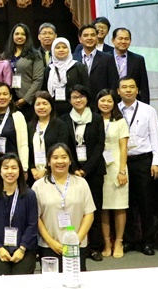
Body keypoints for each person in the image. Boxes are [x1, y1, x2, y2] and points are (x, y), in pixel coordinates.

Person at [60, 85, 107, 262]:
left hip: (93, 171)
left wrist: (86, 169)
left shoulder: (96, 118)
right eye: (74, 97)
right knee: (75, 209)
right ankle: (77, 244)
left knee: (93, 209)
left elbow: (100, 146)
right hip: (72, 171)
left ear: (87, 98)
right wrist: (75, 168)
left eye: (81, 97)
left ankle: (94, 247)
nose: (77, 100)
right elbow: (66, 145)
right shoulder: (65, 119)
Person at [33, 143, 96, 271]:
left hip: (77, 245)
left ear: (70, 160)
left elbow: (89, 214)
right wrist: (51, 242)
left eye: (64, 157)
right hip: (49, 245)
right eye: (55, 158)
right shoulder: (39, 186)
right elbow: (36, 218)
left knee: (75, 280)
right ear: (48, 162)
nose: (60, 161)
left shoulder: (81, 183)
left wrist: (76, 240)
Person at [118, 77, 158, 256]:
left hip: (143, 160)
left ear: (137, 90)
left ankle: (147, 241)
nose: (128, 90)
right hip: (121, 161)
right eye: (124, 87)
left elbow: (155, 135)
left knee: (145, 203)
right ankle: (128, 240)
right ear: (118, 90)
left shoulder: (148, 110)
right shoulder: (114, 109)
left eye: (131, 87)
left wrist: (156, 161)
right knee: (124, 202)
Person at [0, 153, 38, 275]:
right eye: (6, 167)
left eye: (14, 168)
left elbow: (32, 225)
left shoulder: (29, 195)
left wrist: (22, 249)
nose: (10, 171)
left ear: (20, 171)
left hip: (25, 248)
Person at [96, 89, 130, 259]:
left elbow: (124, 147)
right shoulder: (93, 119)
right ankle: (107, 242)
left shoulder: (120, 121)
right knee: (103, 206)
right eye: (102, 100)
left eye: (109, 101)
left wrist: (122, 170)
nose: (105, 104)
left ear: (114, 102)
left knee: (119, 206)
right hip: (99, 165)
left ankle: (119, 241)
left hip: (116, 164)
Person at [28, 92, 75, 183]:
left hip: (54, 172)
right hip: (33, 175)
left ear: (51, 106)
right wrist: (32, 168)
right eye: (38, 104)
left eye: (45, 103)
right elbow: (27, 149)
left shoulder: (60, 125)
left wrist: (45, 170)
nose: (41, 107)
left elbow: (62, 150)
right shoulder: (29, 126)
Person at [4, 24, 45, 120]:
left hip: (28, 100)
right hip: (9, 100)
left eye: (23, 34)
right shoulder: (5, 56)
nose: (19, 36)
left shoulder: (35, 55)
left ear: (27, 37)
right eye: (17, 34)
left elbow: (38, 80)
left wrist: (26, 99)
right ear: (12, 36)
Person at [0, 83, 29, 171]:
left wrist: (24, 167)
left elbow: (23, 144)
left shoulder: (18, 116)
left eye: (5, 94)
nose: (2, 97)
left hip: (12, 167)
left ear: (10, 97)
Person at [72, 25, 119, 102]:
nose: (89, 38)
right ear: (80, 39)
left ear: (97, 38)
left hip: (101, 103)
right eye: (86, 35)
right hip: (78, 102)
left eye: (93, 35)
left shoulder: (108, 58)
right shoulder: (73, 59)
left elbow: (113, 83)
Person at [44, 38, 90, 116]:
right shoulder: (49, 69)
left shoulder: (79, 67)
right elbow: (45, 90)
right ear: (52, 50)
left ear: (69, 49)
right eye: (57, 47)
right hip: (54, 110)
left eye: (64, 47)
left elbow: (86, 89)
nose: (61, 50)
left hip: (75, 108)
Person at [112, 28, 150, 103]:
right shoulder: (105, 58)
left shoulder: (138, 60)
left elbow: (144, 86)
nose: (123, 41)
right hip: (111, 102)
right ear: (113, 40)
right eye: (120, 38)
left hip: (133, 101)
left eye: (126, 39)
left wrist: (145, 105)